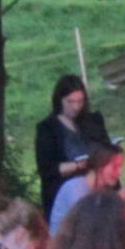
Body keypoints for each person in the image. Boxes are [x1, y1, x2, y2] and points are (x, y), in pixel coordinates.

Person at [34, 74, 112, 215]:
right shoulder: (47, 129)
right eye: (70, 102)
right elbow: (46, 169)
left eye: (80, 101)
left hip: (97, 192)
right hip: (67, 197)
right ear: (60, 100)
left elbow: (106, 147)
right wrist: (78, 165)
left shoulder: (93, 121)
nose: (76, 107)